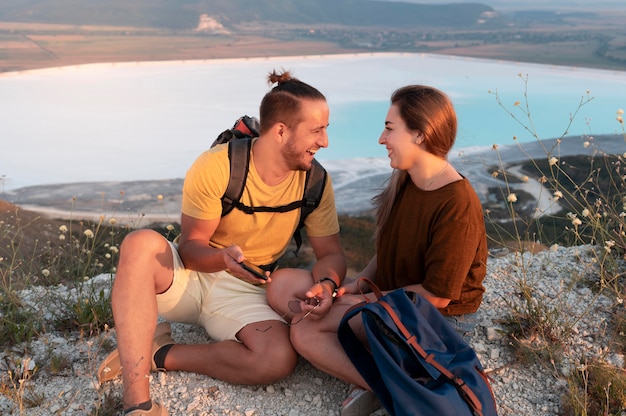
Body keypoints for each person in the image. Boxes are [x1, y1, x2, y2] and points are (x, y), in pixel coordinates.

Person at [97, 70, 346, 416]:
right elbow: (190, 249)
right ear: (280, 132)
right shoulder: (218, 166)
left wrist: (328, 283)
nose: (325, 142)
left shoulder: (315, 182)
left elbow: (330, 253)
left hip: (249, 289)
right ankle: (137, 404)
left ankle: (159, 354)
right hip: (191, 276)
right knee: (139, 243)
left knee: (275, 358)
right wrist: (222, 259)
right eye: (317, 131)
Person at [284, 85, 488, 416]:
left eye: (390, 129)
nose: (381, 138)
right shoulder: (408, 180)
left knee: (303, 329)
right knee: (284, 287)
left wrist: (367, 301)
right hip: (397, 301)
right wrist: (358, 284)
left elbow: (438, 296)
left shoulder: (456, 203)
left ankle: (396, 386)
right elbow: (390, 249)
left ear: (420, 135)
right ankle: (388, 370)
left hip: (439, 320)